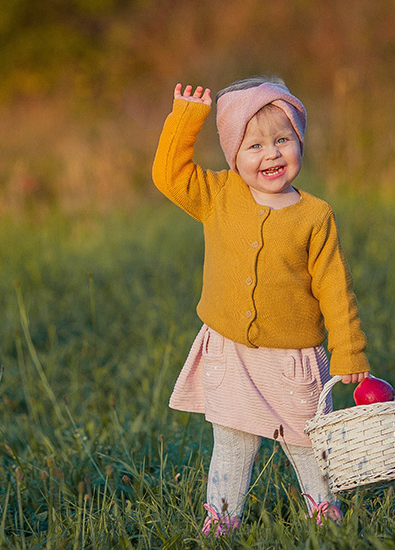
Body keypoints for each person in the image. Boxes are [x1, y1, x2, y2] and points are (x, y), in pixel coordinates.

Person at [152, 76, 370, 535]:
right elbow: (167, 176)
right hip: (231, 352)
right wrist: (186, 120)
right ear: (234, 156)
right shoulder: (218, 195)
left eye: (282, 140)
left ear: (299, 143)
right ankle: (223, 519)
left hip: (293, 359)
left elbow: (335, 288)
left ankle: (324, 512)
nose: (270, 153)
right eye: (253, 146)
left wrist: (349, 351)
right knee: (232, 440)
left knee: (309, 443)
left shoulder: (315, 215)